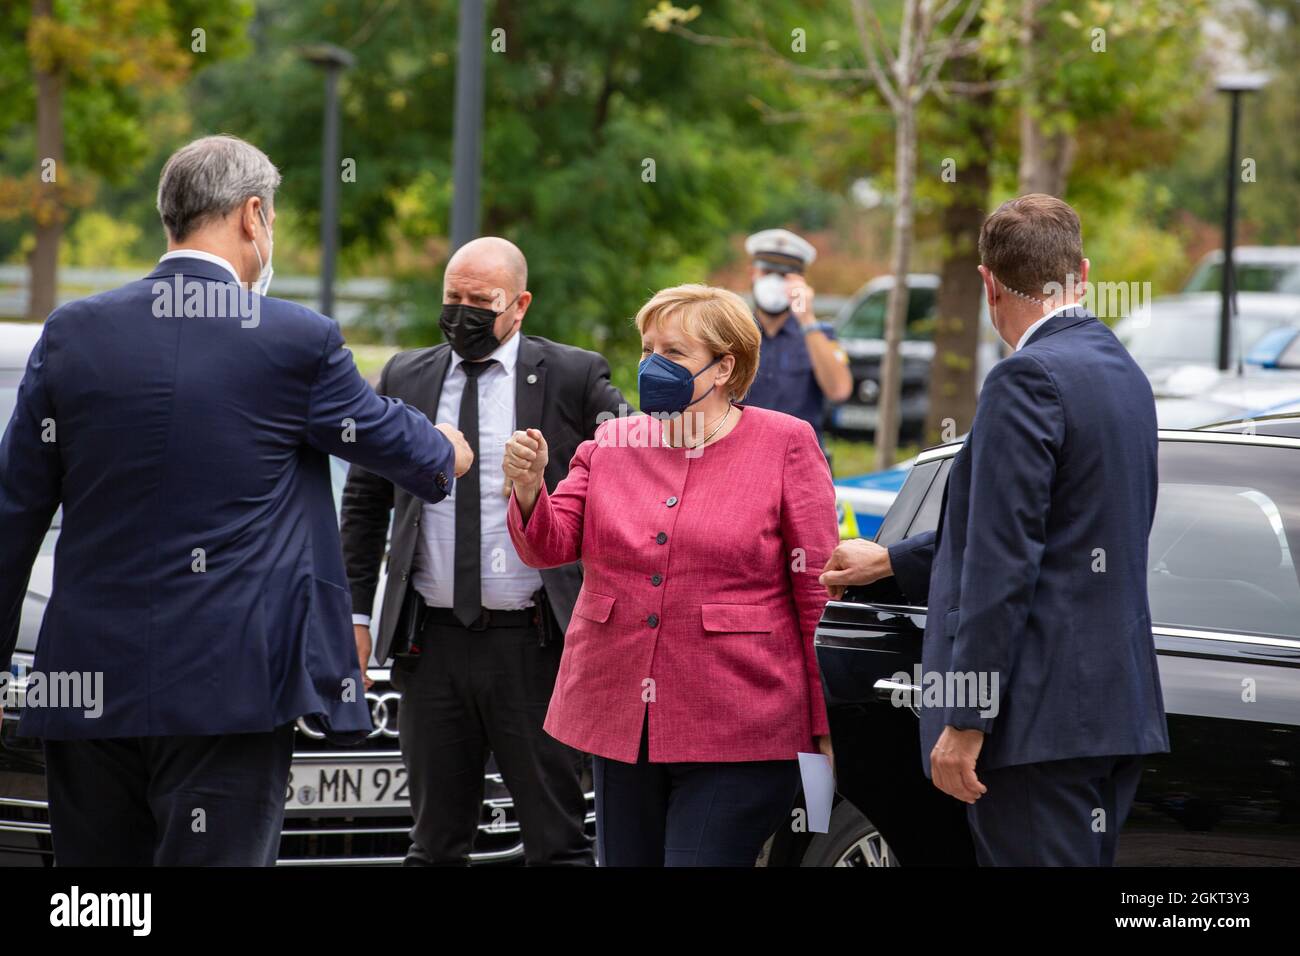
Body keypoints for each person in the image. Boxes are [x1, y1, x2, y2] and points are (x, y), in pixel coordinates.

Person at [0, 134, 471, 866]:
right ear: (253, 215)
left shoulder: (72, 335)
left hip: (84, 683)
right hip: (231, 685)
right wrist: (449, 447)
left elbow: (13, 512)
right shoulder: (294, 340)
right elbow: (404, 452)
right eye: (272, 217)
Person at [820, 194, 1168, 866]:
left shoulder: (1025, 378)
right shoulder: (1124, 372)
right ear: (1083, 273)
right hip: (1110, 710)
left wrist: (966, 718)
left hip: (1031, 727)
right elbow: (1065, 530)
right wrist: (891, 562)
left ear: (987, 282)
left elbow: (1003, 564)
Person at [503, 284, 838, 867]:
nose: (652, 364)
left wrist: (825, 722)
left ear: (725, 365)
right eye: (646, 348)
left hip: (741, 720)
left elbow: (815, 592)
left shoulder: (786, 442)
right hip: (619, 714)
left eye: (673, 352)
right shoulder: (612, 439)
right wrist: (530, 488)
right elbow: (549, 546)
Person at [340, 236, 623, 866]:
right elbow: (363, 506)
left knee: (556, 842)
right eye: (453, 298)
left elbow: (627, 453)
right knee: (435, 844)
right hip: (429, 643)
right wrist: (354, 617)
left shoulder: (572, 375)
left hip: (533, 644)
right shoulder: (405, 376)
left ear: (519, 305)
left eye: (481, 301)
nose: (462, 312)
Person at [742, 228, 852, 445]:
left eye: (784, 275)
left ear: (801, 282)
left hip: (799, 459)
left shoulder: (820, 335)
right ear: (752, 274)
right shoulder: (735, 332)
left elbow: (839, 390)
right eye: (767, 272)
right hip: (744, 457)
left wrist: (807, 319)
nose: (774, 283)